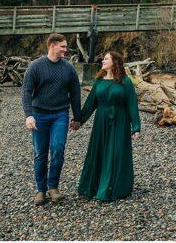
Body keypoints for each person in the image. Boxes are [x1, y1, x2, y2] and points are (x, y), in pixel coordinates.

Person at [21, 33, 82, 206]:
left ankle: (53, 187)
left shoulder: (68, 68)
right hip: (39, 115)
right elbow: (26, 91)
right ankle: (41, 190)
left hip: (60, 115)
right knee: (40, 153)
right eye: (62, 46)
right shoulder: (36, 66)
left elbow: (75, 93)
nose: (65, 49)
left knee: (57, 149)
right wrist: (29, 115)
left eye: (65, 46)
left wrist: (77, 117)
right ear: (52, 46)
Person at [73, 51, 142, 202]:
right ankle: (93, 187)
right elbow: (90, 104)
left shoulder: (125, 81)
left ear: (115, 62)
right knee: (99, 151)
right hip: (101, 121)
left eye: (106, 59)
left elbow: (132, 105)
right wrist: (78, 121)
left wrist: (136, 127)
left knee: (115, 153)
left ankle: (111, 188)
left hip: (120, 121)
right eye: (103, 58)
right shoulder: (98, 81)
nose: (102, 61)